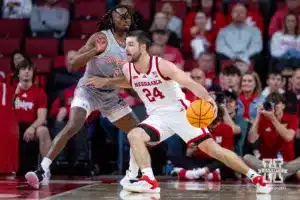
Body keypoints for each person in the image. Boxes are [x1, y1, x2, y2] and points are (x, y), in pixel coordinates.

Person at [86, 30, 272, 194]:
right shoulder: (128, 68)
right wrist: (106, 82)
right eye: (125, 45)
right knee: (135, 135)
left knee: (214, 150)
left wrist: (208, 100)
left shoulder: (162, 65)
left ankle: (256, 177)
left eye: (131, 45)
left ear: (142, 47)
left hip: (181, 113)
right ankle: (146, 179)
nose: (126, 49)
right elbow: (130, 81)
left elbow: (190, 83)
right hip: (158, 117)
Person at [25, 5, 142, 189]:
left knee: (138, 132)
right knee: (73, 125)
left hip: (110, 95)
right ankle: (42, 169)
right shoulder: (100, 38)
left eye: (128, 16)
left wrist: (139, 91)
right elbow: (74, 65)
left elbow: (129, 84)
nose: (125, 19)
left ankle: (134, 175)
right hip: (88, 89)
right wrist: (94, 51)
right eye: (121, 16)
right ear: (112, 20)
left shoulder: (132, 47)